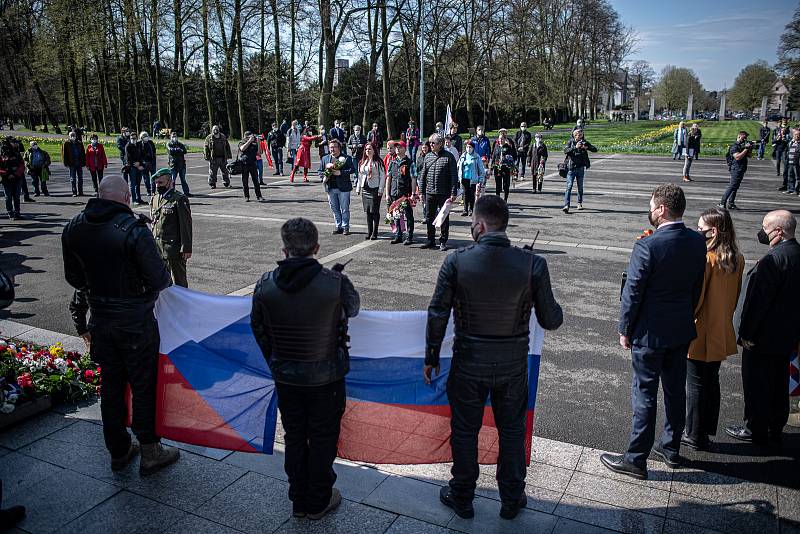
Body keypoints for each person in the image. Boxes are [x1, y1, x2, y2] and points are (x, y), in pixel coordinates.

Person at [425, 195, 563, 520]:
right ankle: (512, 499)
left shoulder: (457, 261)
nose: (472, 226)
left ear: (481, 225)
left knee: (464, 430)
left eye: (473, 222)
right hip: (513, 365)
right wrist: (533, 284)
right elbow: (552, 319)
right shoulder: (533, 264)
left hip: (468, 362)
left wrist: (430, 356)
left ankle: (462, 497)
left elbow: (437, 313)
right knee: (512, 431)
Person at [62, 175, 179, 475]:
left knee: (111, 386)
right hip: (136, 321)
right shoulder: (134, 231)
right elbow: (160, 279)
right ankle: (150, 449)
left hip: (100, 319)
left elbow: (75, 280)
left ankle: (118, 449)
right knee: (143, 386)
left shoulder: (74, 228)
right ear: (126, 197)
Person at [250, 217, 360, 521]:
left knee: (296, 436)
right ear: (317, 248)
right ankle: (319, 499)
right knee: (323, 438)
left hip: (286, 375)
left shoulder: (264, 283)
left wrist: (276, 359)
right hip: (327, 377)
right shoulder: (335, 283)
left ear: (284, 249)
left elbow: (257, 328)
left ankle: (298, 499)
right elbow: (353, 308)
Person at [601, 184, 706, 480]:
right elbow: (696, 288)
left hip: (649, 332)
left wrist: (625, 328)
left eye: (651, 206)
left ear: (660, 209)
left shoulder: (648, 245)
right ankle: (670, 448)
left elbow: (632, 292)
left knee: (644, 393)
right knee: (675, 391)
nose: (649, 211)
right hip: (680, 327)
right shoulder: (697, 242)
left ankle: (636, 458)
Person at [725, 210, 800, 445]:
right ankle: (775, 425)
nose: (762, 232)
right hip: (786, 335)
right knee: (779, 382)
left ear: (778, 232)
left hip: (762, 337)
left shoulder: (772, 260)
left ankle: (754, 427)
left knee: (756, 382)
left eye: (765, 228)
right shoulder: (796, 254)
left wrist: (746, 333)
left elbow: (757, 302)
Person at [682, 207, 744, 451]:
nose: (698, 232)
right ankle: (706, 429)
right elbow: (736, 295)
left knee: (695, 384)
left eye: (700, 229)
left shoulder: (707, 259)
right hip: (722, 328)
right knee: (712, 382)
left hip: (701, 331)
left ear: (713, 231)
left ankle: (694, 434)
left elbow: (697, 299)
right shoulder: (736, 258)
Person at [150, 168, 193, 288]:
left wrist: (186, 248)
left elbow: (185, 225)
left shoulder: (179, 199)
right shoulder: (155, 198)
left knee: (179, 283)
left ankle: (182, 306)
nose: (158, 185)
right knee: (163, 284)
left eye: (161, 183)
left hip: (173, 249)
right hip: (159, 248)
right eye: (156, 183)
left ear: (170, 182)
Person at [420, 133, 459, 251]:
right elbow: (423, 175)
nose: (431, 145)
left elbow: (454, 176)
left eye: (433, 143)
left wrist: (453, 192)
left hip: (444, 193)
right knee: (429, 217)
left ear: (440, 144)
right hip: (430, 193)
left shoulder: (449, 157)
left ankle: (443, 241)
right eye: (430, 142)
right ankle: (430, 240)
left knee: (443, 218)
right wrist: (421, 191)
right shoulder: (428, 157)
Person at [319, 139, 356, 235]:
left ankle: (345, 227)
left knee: (344, 209)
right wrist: (325, 175)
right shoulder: (325, 158)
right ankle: (338, 225)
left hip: (343, 188)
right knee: (334, 208)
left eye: (334, 147)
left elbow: (352, 169)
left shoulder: (346, 158)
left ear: (339, 148)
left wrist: (341, 172)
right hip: (330, 188)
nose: (332, 149)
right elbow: (320, 171)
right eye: (331, 147)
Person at [385, 141, 416, 244]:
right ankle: (398, 234)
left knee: (408, 215)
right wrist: (387, 193)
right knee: (396, 214)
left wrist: (413, 193)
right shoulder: (392, 162)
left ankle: (409, 235)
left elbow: (413, 179)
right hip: (394, 193)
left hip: (405, 194)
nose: (397, 149)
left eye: (400, 147)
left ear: (405, 149)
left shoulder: (410, 162)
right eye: (396, 147)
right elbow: (388, 178)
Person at [561, 128, 597, 213]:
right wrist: (574, 147)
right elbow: (565, 150)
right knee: (569, 187)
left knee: (580, 187)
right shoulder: (570, 142)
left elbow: (595, 149)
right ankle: (566, 205)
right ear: (574, 135)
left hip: (581, 168)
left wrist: (587, 147)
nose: (580, 136)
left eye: (581, 134)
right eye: (578, 134)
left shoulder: (584, 142)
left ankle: (579, 203)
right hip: (571, 168)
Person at [355, 143, 386, 240]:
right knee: (368, 211)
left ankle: (375, 232)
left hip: (375, 189)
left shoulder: (378, 162)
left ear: (374, 150)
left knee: (374, 211)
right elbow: (360, 175)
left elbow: (383, 176)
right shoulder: (363, 161)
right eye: (366, 149)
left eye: (370, 149)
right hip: (366, 188)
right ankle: (369, 231)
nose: (368, 151)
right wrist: (358, 188)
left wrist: (381, 189)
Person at [719, 131, 753, 210]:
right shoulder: (734, 146)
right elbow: (737, 157)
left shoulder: (742, 146)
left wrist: (749, 149)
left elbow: (750, 156)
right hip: (736, 168)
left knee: (735, 187)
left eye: (746, 138)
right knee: (732, 186)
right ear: (739, 136)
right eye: (743, 137)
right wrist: (746, 149)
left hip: (741, 168)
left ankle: (731, 203)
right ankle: (722, 202)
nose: (745, 139)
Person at [458, 140, 486, 217]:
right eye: (467, 147)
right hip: (464, 177)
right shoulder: (463, 156)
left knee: (471, 194)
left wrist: (481, 179)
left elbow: (481, 169)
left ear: (473, 148)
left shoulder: (476, 157)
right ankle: (465, 210)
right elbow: (459, 166)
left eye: (470, 147)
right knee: (465, 194)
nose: (468, 149)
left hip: (473, 178)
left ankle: (471, 209)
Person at [0, 138, 24, 219]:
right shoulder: (2, 155)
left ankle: (17, 212)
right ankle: (10, 212)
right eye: (14, 142)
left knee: (16, 197)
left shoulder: (16, 153)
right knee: (8, 197)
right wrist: (7, 174)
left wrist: (16, 174)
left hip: (17, 178)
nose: (16, 144)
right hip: (6, 179)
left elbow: (22, 165)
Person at [491, 129, 517, 202]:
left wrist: (509, 146)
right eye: (500, 138)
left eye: (503, 137)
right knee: (498, 184)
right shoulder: (496, 145)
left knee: (506, 184)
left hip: (506, 167)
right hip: (497, 167)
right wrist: (491, 167)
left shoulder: (508, 145)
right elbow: (493, 155)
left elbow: (513, 155)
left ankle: (505, 199)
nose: (501, 140)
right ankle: (498, 199)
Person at [238, 130, 264, 202]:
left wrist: (258, 143)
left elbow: (260, 153)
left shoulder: (254, 143)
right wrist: (249, 141)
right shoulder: (242, 142)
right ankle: (246, 196)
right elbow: (242, 148)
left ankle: (259, 196)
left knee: (256, 181)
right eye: (249, 137)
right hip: (244, 164)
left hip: (252, 163)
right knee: (245, 181)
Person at [125, 133, 147, 206]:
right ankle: (134, 200)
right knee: (133, 184)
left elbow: (142, 156)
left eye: (134, 138)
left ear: (137, 138)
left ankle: (139, 198)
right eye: (131, 138)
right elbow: (128, 158)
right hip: (132, 168)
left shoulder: (139, 145)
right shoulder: (128, 146)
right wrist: (136, 165)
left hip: (139, 167)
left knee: (138, 184)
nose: (133, 139)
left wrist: (141, 164)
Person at [61, 130, 86, 197]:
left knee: (80, 178)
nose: (73, 137)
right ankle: (74, 192)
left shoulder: (79, 143)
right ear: (69, 136)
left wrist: (84, 162)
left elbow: (83, 153)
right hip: (71, 163)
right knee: (73, 178)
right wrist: (65, 163)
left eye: (74, 135)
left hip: (79, 162)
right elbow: (64, 154)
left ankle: (81, 192)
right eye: (71, 136)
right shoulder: (66, 143)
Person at [167, 132, 190, 196]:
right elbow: (171, 151)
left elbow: (184, 151)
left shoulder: (180, 144)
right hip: (173, 165)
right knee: (173, 180)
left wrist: (179, 150)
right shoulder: (169, 144)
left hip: (181, 165)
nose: (174, 138)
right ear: (170, 138)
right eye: (173, 137)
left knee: (183, 180)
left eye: (175, 136)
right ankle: (172, 193)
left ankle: (186, 192)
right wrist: (178, 150)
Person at [784, 128, 800, 195]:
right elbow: (788, 150)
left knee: (797, 177)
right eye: (794, 135)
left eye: (797, 135)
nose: (795, 136)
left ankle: (796, 190)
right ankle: (790, 189)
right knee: (790, 175)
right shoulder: (792, 142)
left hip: (796, 163)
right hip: (790, 162)